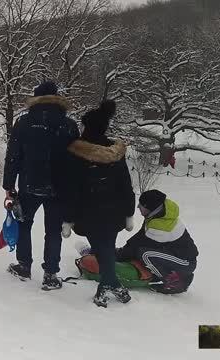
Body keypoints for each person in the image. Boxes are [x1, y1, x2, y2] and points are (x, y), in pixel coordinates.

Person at [3, 81, 81, 290]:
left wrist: (9, 184)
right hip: (59, 187)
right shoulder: (69, 125)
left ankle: (24, 265)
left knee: (23, 223)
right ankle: (51, 274)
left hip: (30, 184)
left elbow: (13, 156)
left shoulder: (24, 122)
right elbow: (76, 160)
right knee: (53, 230)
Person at [61, 100, 135, 307]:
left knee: (102, 248)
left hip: (88, 211)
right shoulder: (115, 152)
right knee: (106, 248)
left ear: (87, 126)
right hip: (114, 211)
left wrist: (68, 218)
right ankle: (113, 283)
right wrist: (129, 211)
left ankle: (108, 284)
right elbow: (125, 184)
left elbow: (71, 188)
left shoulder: (76, 152)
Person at [116, 189, 199, 294]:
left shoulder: (159, 227)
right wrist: (122, 250)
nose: (138, 207)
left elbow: (139, 244)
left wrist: (120, 255)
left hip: (185, 262)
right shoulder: (159, 214)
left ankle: (175, 283)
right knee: (141, 252)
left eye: (141, 205)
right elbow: (139, 237)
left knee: (145, 254)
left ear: (150, 208)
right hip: (174, 255)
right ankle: (170, 274)